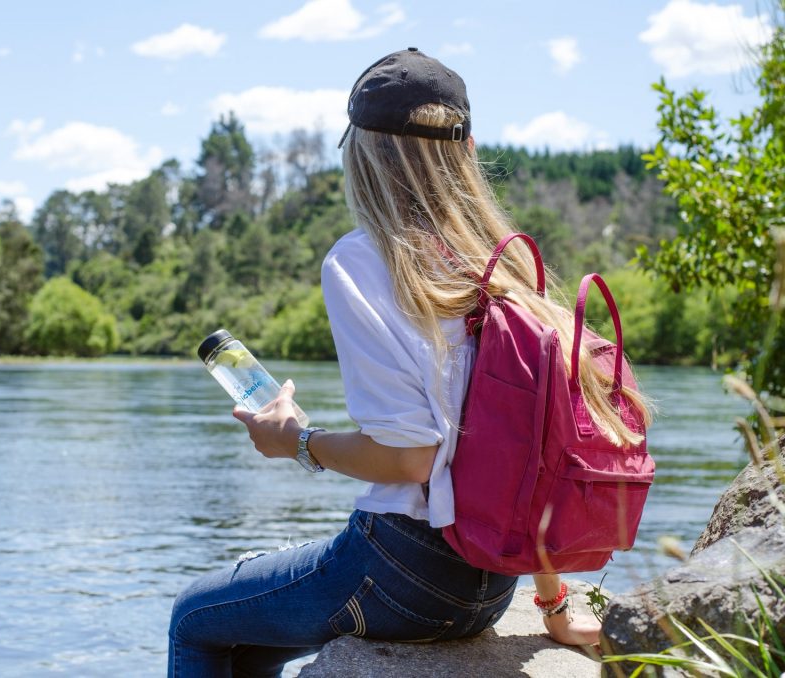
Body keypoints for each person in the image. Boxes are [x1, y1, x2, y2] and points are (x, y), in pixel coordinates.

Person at [168, 47, 639, 678]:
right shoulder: (505, 264)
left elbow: (410, 456)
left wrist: (298, 441)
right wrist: (553, 606)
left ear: (361, 154)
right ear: (466, 153)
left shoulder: (361, 261)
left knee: (195, 619)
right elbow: (535, 455)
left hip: (403, 573)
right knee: (247, 640)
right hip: (488, 587)